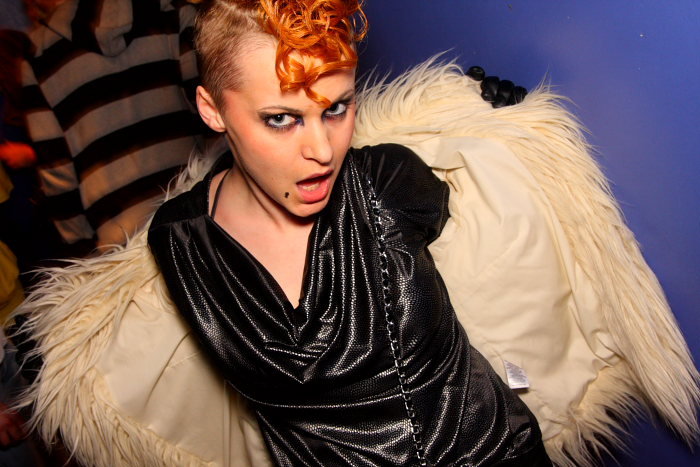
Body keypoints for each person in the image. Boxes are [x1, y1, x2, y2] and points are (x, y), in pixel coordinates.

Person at [13, 1, 699, 466]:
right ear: (213, 110)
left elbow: (487, 225)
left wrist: (489, 120)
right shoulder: (179, 242)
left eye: (337, 108)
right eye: (281, 118)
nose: (321, 150)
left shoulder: (388, 182)